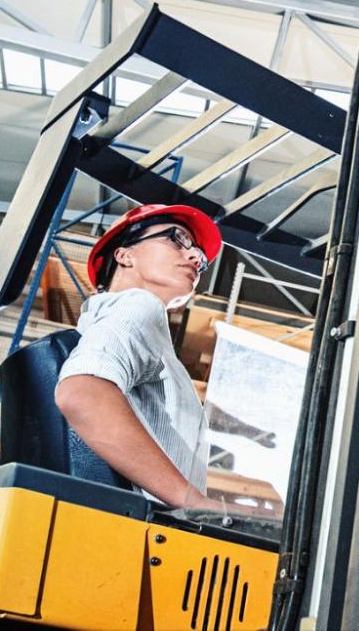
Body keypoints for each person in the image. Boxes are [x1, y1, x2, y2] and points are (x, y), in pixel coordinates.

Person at [54, 202, 270, 518]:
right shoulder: (139, 306)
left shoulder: (111, 324)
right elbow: (82, 392)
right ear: (125, 254)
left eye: (200, 255)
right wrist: (191, 501)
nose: (197, 257)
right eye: (176, 239)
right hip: (148, 530)